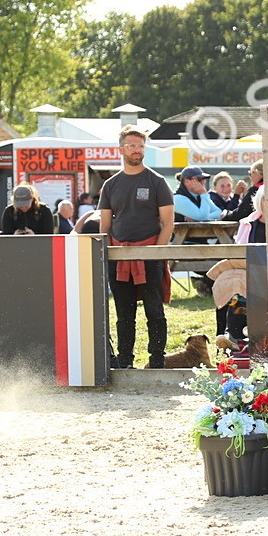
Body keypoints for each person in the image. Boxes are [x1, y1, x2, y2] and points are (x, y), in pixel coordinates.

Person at [98, 125, 174, 369]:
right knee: (124, 314)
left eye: (141, 145)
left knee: (155, 312)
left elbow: (168, 222)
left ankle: (157, 361)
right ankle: (124, 362)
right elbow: (105, 226)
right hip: (119, 257)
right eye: (131, 145)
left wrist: (156, 255)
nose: (137, 150)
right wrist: (109, 254)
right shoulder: (110, 185)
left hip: (149, 254)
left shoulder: (157, 181)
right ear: (121, 149)